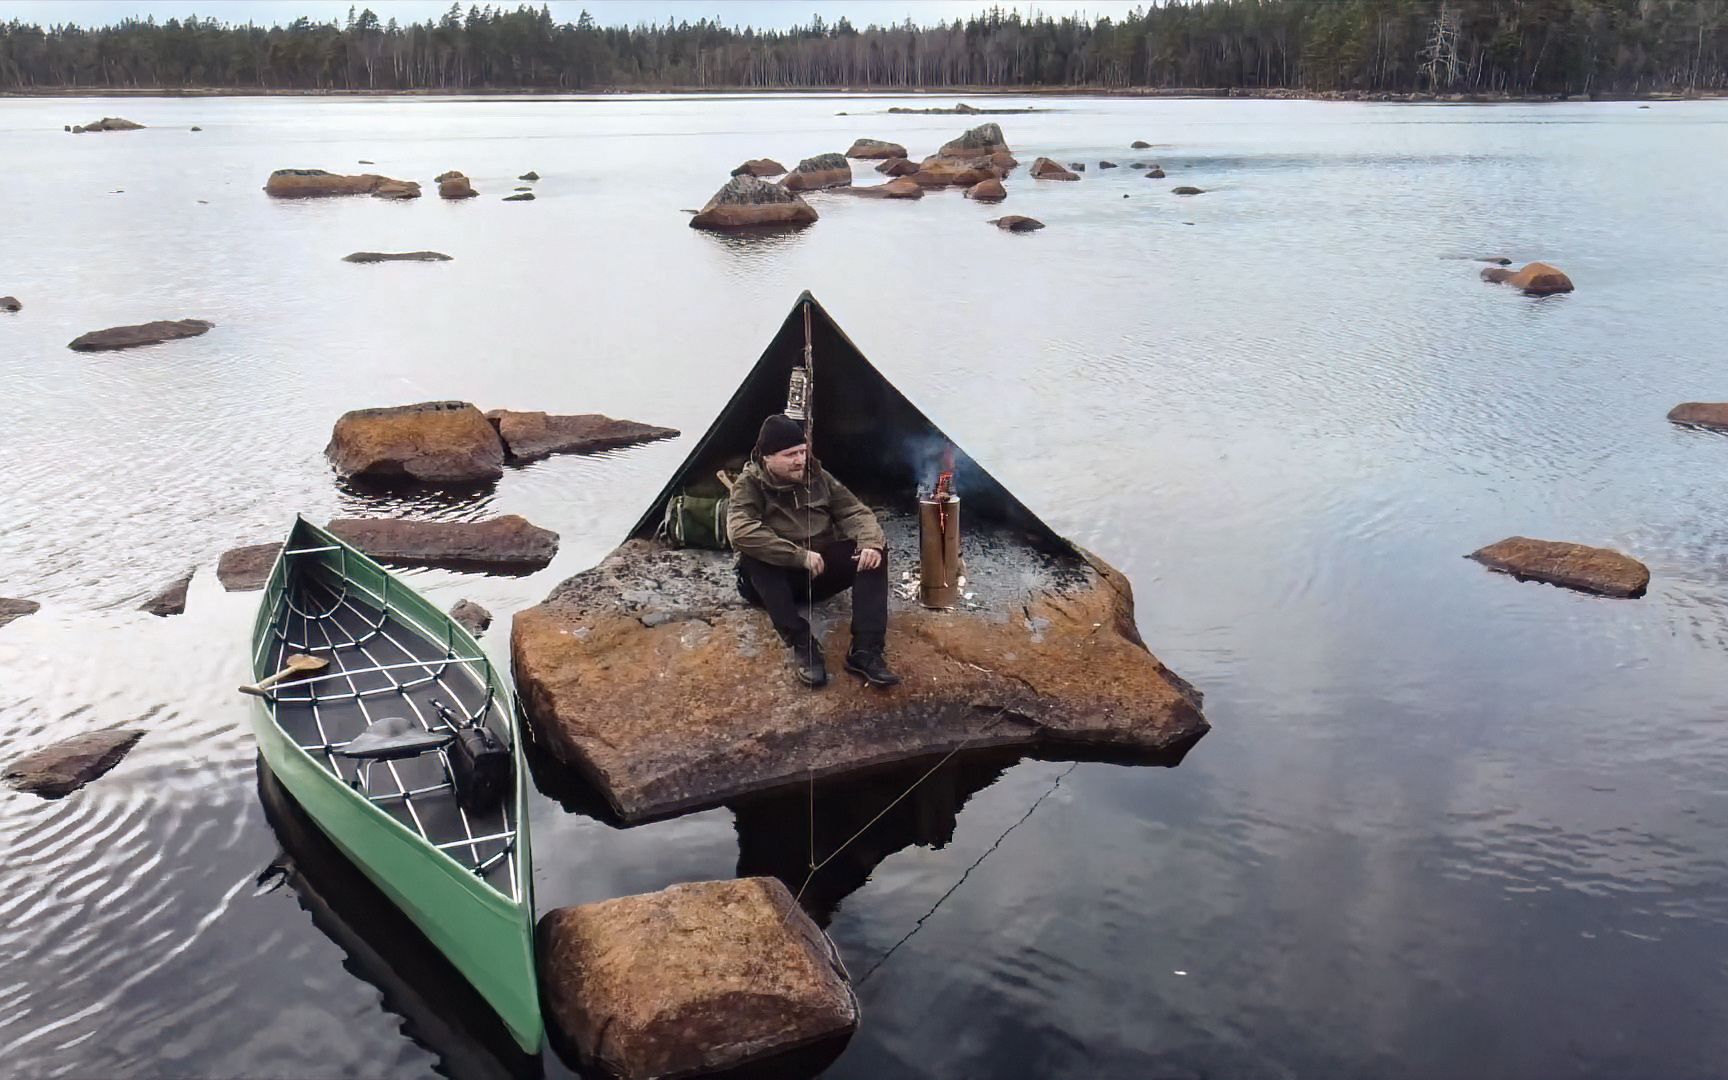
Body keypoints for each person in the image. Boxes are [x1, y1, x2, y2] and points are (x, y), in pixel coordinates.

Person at [727, 414, 900, 689]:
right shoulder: (749, 485)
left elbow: (854, 512)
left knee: (874, 551)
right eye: (790, 455)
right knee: (754, 558)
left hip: (816, 572)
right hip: (773, 583)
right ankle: (802, 644)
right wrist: (797, 556)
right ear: (767, 458)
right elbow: (741, 531)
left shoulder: (818, 476)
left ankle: (866, 651)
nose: (800, 460)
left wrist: (869, 542)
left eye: (802, 452)